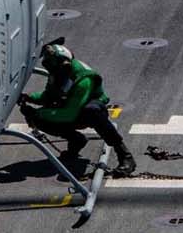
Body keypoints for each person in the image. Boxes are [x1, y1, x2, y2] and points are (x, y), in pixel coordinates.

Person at [18, 38, 136, 176]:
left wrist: (38, 113)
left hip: (86, 110)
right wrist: (29, 98)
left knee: (92, 111)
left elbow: (69, 114)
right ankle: (76, 140)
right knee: (39, 120)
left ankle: (125, 155)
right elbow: (48, 96)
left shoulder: (83, 80)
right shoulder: (57, 72)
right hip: (70, 105)